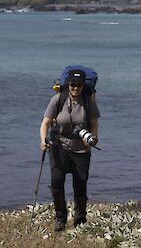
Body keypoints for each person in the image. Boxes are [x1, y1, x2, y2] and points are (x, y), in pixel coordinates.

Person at [40, 69, 100, 232]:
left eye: (79, 85)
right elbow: (45, 123)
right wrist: (43, 140)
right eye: (73, 84)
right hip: (59, 148)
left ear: (82, 86)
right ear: (68, 84)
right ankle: (60, 218)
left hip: (81, 151)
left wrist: (93, 139)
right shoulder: (58, 99)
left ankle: (80, 220)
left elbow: (94, 124)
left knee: (80, 185)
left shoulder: (88, 102)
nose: (76, 88)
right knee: (57, 182)